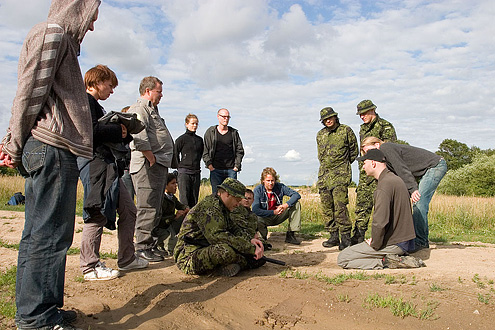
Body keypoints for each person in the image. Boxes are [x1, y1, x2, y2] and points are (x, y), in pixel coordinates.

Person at [0, 1, 100, 328]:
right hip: (50, 148)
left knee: (49, 235)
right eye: (90, 18)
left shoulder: (58, 41)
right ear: (76, 10)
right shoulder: (52, 35)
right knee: (48, 236)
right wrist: (12, 142)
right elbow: (29, 92)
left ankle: (45, 309)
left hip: (54, 148)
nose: (92, 27)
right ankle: (37, 318)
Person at [78, 65, 148, 282]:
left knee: (128, 209)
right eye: (110, 85)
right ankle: (89, 265)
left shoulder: (96, 106)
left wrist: (124, 133)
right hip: (95, 164)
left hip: (109, 167)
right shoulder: (85, 103)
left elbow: (110, 135)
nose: (112, 90)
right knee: (96, 212)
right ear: (97, 83)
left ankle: (127, 257)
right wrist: (119, 130)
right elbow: (90, 132)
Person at [337, 149, 423, 270]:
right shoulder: (394, 179)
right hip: (404, 241)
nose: (363, 168)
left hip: (395, 243)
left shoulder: (384, 186)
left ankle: (388, 262)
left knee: (343, 258)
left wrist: (375, 243)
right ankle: (392, 257)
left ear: (373, 163)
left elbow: (380, 221)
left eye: (364, 163)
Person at [360, 137, 448, 251]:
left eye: (369, 151)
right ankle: (409, 239)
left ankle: (421, 242)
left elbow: (401, 168)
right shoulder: (383, 159)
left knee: (419, 202)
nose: (369, 155)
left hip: (435, 166)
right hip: (422, 171)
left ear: (377, 144)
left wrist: (413, 188)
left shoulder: (386, 148)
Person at [174, 178, 265, 277]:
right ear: (227, 194)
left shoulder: (223, 207)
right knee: (225, 250)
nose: (238, 204)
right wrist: (250, 249)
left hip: (206, 247)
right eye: (237, 200)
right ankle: (239, 264)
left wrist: (250, 240)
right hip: (189, 256)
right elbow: (218, 237)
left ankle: (240, 262)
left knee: (237, 250)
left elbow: (234, 229)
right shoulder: (209, 207)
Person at [128, 76, 175, 262]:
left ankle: (150, 245)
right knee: (147, 206)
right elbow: (139, 137)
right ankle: (142, 247)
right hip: (147, 166)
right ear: (148, 91)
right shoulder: (140, 109)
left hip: (157, 166)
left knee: (155, 208)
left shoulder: (152, 110)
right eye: (159, 91)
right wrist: (152, 159)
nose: (161, 95)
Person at [352, 99, 397, 245]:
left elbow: (390, 151)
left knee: (382, 207)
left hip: (381, 174)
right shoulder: (362, 129)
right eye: (359, 114)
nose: (361, 116)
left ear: (372, 110)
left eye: (364, 113)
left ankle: (383, 238)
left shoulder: (386, 127)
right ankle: (358, 237)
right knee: (362, 207)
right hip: (366, 174)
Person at [317, 107, 358, 250]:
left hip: (340, 175)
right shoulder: (320, 134)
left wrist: (343, 166)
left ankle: (346, 238)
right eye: (325, 119)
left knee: (340, 208)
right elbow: (320, 156)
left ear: (335, 117)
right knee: (327, 208)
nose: (328, 120)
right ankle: (333, 236)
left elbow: (354, 152)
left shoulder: (346, 130)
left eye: (330, 117)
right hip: (324, 176)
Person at [252, 167, 302, 245]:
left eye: (272, 180)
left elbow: (296, 195)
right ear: (263, 181)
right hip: (265, 217)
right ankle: (262, 237)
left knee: (296, 204)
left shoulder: (280, 187)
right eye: (268, 181)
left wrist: (285, 205)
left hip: (279, 214)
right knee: (256, 217)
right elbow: (255, 210)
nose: (270, 183)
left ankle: (291, 234)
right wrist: (273, 212)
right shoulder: (258, 190)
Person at [203, 108, 244, 194]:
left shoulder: (233, 133)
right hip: (215, 170)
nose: (226, 119)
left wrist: (236, 166)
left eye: (228, 117)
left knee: (232, 196)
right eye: (224, 116)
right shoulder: (211, 132)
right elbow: (205, 150)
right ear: (218, 117)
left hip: (231, 170)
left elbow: (239, 150)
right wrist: (210, 166)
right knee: (216, 196)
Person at [153, 173, 189, 256]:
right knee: (173, 249)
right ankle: (160, 244)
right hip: (161, 228)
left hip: (169, 225)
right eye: (173, 183)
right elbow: (159, 220)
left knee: (187, 218)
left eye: (176, 183)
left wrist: (187, 209)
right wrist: (174, 217)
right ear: (165, 186)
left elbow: (180, 205)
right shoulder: (160, 199)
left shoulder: (172, 197)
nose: (176, 186)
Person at [174, 114, 204, 208]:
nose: (194, 126)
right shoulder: (181, 139)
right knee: (184, 200)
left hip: (196, 172)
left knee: (194, 200)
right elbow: (174, 153)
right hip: (184, 173)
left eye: (196, 124)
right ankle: (183, 221)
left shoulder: (199, 140)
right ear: (186, 124)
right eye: (192, 123)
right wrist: (178, 166)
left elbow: (201, 154)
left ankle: (192, 221)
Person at [120, 106, 135, 200]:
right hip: (126, 169)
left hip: (135, 169)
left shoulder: (135, 135)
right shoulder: (122, 135)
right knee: (128, 196)